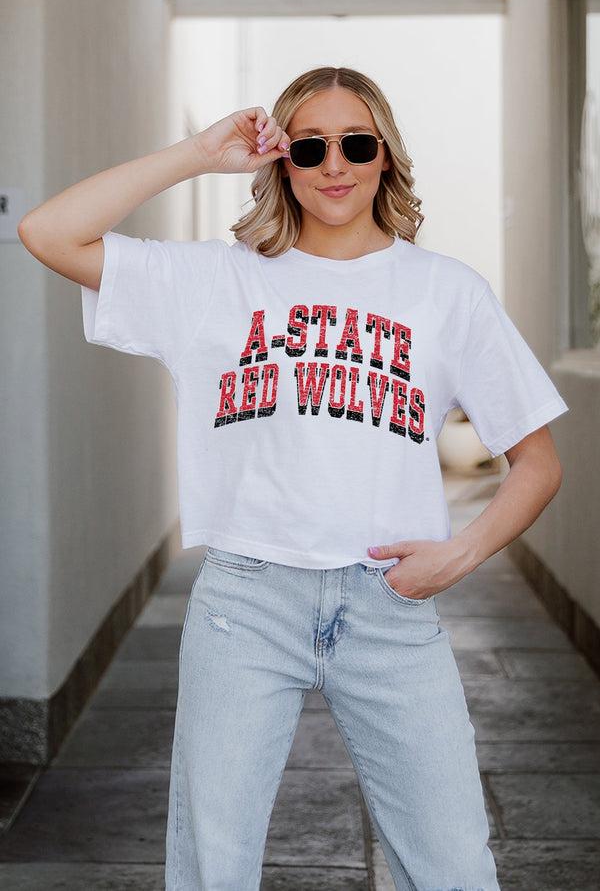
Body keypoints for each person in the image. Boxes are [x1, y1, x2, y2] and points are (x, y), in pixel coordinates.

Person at [18, 65, 569, 891]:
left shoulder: (446, 293)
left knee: (455, 866)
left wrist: (458, 556)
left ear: (386, 155)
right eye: (309, 146)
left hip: (392, 603)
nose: (334, 164)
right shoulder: (218, 280)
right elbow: (48, 232)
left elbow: (538, 462)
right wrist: (199, 154)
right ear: (282, 160)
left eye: (356, 142)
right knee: (213, 867)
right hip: (247, 602)